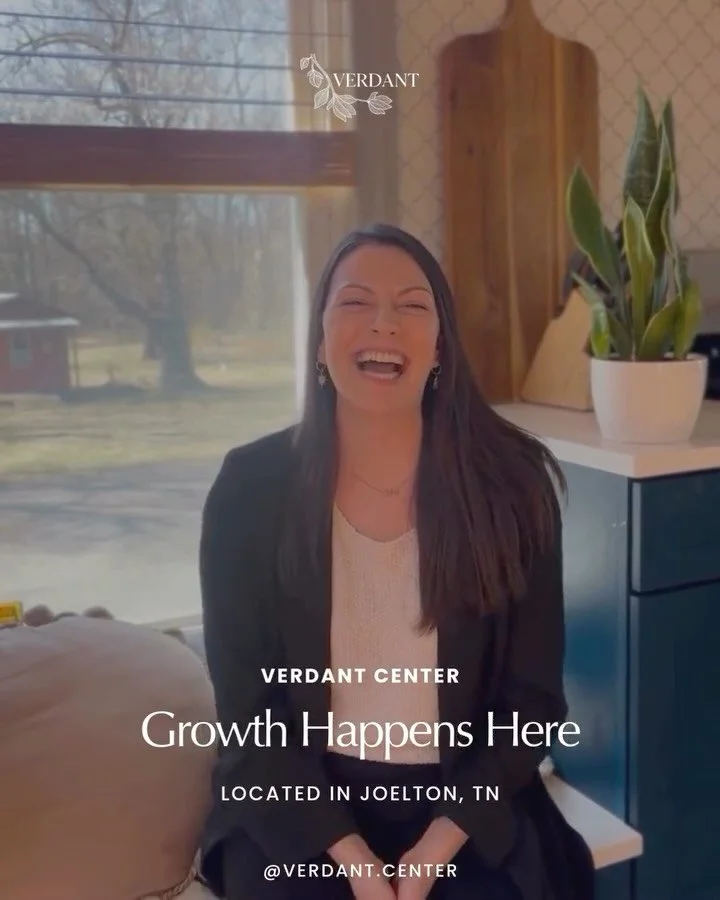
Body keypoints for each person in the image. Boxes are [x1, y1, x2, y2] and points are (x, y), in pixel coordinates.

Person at [197, 223, 595, 900]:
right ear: (319, 342)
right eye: (355, 302)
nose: (383, 322)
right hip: (300, 800)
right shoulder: (250, 488)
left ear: (440, 347)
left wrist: (435, 848)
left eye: (412, 305)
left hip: (464, 803)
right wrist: (352, 859)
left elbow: (530, 704)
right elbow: (249, 710)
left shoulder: (512, 484)